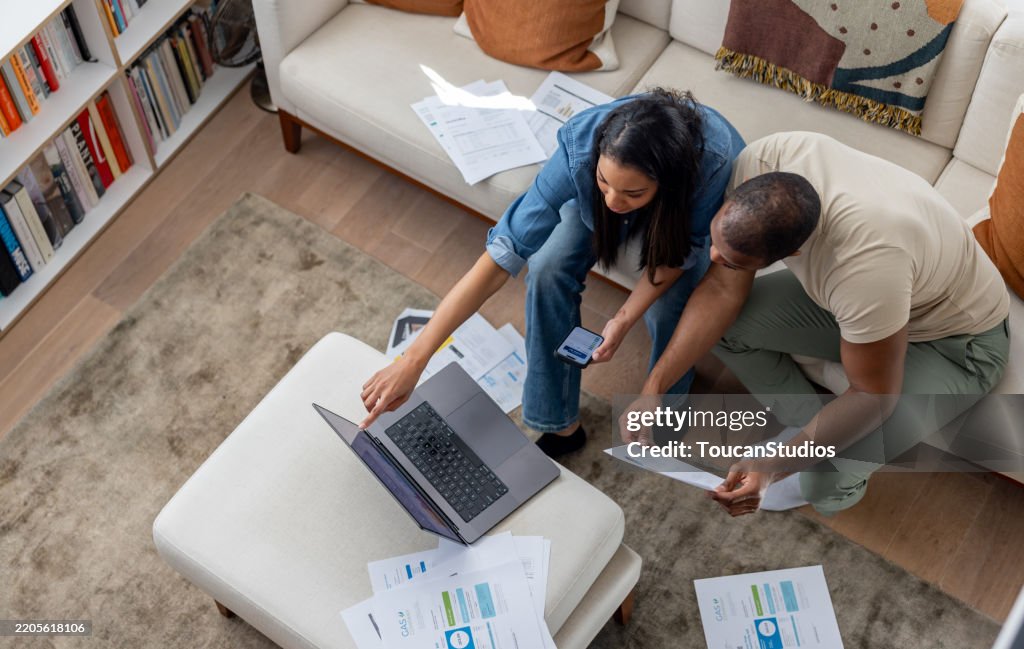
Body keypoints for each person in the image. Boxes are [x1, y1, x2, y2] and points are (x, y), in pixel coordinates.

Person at [619, 131, 1010, 515]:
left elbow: (874, 396)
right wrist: (654, 387)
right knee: (728, 327)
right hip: (882, 301)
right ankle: (805, 427)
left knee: (824, 480)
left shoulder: (864, 269)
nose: (714, 258)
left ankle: (814, 467)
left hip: (956, 342)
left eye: (735, 261)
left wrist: (773, 467)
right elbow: (721, 292)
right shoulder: (768, 158)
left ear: (794, 251)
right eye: (714, 241)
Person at [359, 89, 746, 457]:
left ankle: (662, 412)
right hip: (630, 185)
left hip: (683, 217)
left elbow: (676, 257)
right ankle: (558, 423)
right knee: (546, 266)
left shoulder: (712, 163)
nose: (612, 202)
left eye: (631, 194)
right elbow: (501, 254)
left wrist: (623, 319)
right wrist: (413, 361)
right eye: (603, 182)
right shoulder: (580, 145)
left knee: (670, 306)